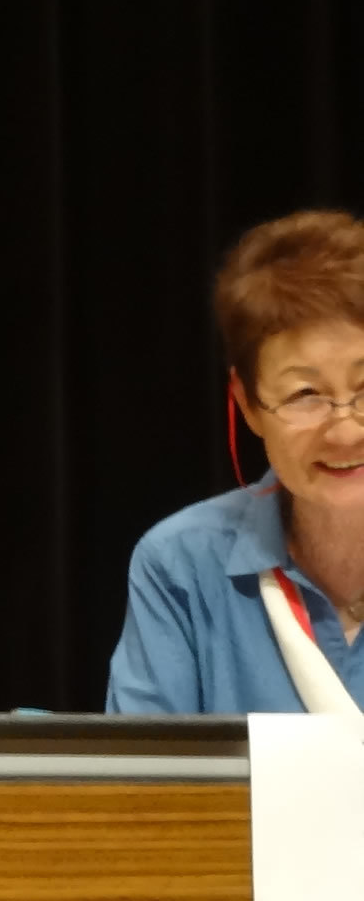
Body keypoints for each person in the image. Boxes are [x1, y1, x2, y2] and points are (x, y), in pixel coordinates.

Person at [108, 210, 364, 714]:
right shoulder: (181, 564)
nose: (346, 431)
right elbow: (147, 763)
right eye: (305, 394)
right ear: (247, 404)